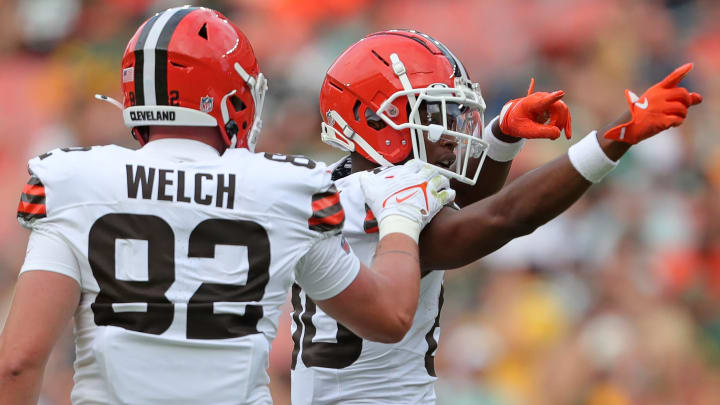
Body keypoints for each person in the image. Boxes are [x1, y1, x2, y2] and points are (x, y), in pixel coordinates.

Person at [0, 10, 455, 405]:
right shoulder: (282, 189)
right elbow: (390, 318)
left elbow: (17, 363)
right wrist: (400, 218)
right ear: (233, 99)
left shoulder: (77, 181)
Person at [290, 30, 702, 404]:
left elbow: (463, 207)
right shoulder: (386, 198)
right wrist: (615, 137)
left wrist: (501, 137)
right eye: (434, 115)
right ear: (376, 121)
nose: (452, 132)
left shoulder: (338, 185)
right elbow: (503, 218)